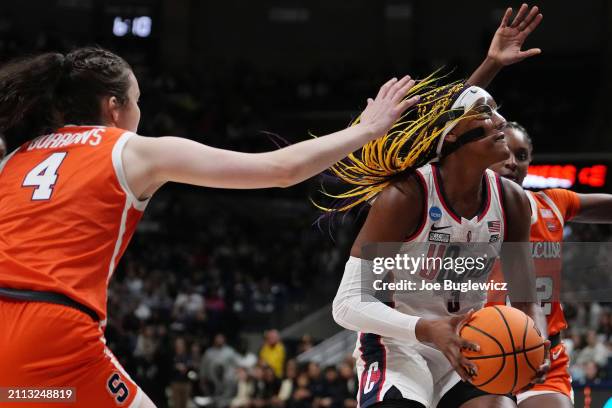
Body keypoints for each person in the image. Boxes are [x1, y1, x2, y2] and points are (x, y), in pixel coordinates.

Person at [0, 47, 418, 408]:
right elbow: (280, 169)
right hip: (52, 332)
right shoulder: (132, 150)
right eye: (137, 100)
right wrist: (367, 129)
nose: (140, 112)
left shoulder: (16, 157)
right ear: (114, 107)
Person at [326, 5, 548, 408]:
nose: (500, 122)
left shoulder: (511, 199)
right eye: (487, 118)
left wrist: (534, 341)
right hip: (399, 345)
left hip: (471, 341)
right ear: (451, 142)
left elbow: (526, 300)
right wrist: (427, 329)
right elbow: (346, 305)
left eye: (498, 112)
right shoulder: (406, 197)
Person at [487, 121, 612, 408]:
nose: (511, 162)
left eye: (521, 156)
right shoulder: (461, 212)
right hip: (484, 350)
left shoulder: (552, 203)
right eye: (503, 153)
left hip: (544, 353)